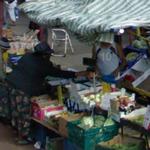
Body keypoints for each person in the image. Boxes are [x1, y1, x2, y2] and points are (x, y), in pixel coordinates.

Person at [5, 42, 94, 144]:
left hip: (12, 84)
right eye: (49, 55)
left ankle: (16, 131)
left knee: (16, 110)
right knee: (24, 113)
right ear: (44, 55)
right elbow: (59, 73)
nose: (50, 56)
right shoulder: (43, 64)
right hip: (23, 90)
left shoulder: (27, 56)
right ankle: (23, 138)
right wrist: (79, 73)